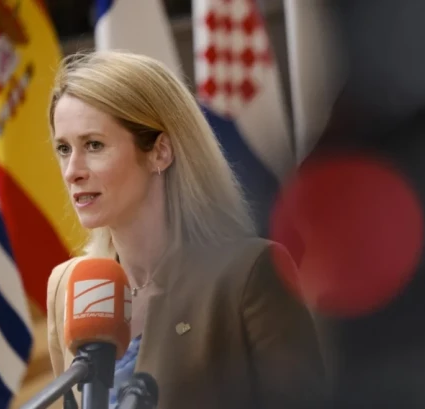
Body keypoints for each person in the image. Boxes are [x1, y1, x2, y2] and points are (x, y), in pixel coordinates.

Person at [45, 50, 328, 409]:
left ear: (160, 152)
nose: (72, 171)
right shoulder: (66, 287)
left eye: (94, 145)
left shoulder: (248, 275)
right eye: (64, 149)